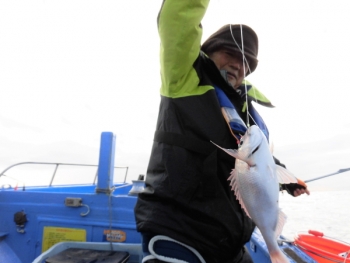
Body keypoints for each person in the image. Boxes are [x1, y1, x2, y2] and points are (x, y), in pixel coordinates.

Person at [134, 1, 309, 262]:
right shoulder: (184, 79)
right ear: (209, 53)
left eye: (246, 63)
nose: (239, 65)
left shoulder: (243, 111)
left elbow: (256, 160)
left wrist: (285, 178)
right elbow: (178, 20)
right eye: (230, 54)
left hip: (230, 245)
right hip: (179, 238)